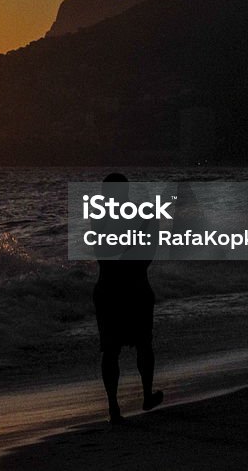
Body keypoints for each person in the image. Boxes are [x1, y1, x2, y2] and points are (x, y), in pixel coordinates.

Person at [92, 172, 163, 423]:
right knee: (143, 344)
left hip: (108, 290)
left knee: (110, 350)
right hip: (136, 289)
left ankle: (114, 407)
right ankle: (145, 396)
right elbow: (147, 255)